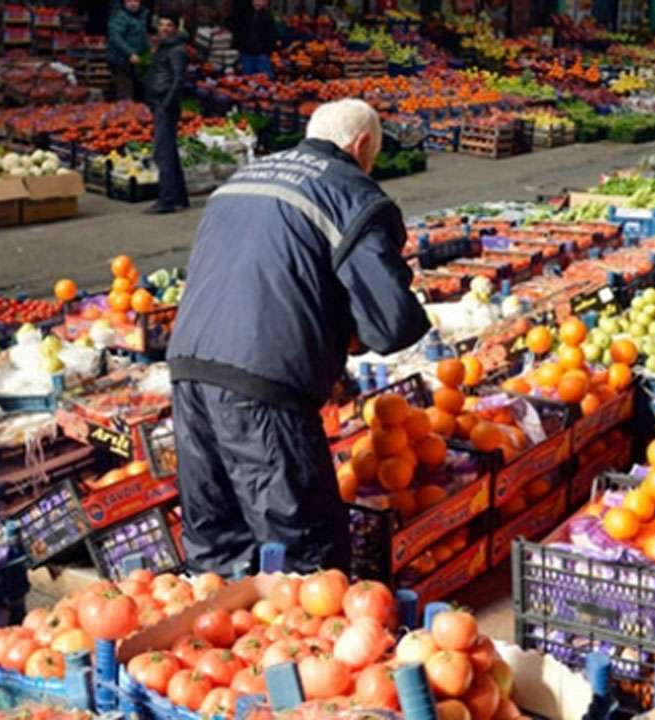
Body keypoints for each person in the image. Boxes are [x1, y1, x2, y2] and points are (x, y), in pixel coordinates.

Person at [167, 99, 431, 574]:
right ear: (363, 144)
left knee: (217, 552)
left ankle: (221, 635)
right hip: (264, 386)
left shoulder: (242, 179)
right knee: (305, 557)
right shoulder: (349, 191)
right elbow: (390, 322)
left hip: (188, 371)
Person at [144, 14, 189, 215]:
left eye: (169, 25)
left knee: (163, 153)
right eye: (161, 24)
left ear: (175, 28)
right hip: (159, 102)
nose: (164, 28)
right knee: (169, 151)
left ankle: (167, 199)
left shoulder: (176, 50)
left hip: (165, 104)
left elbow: (179, 79)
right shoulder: (164, 47)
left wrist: (166, 104)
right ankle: (179, 196)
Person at [106, 0, 150, 101]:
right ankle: (124, 113)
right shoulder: (118, 17)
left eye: (136, 1)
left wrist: (149, 48)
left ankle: (138, 113)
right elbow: (116, 38)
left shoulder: (141, 15)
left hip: (136, 59)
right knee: (125, 91)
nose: (133, 3)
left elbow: (142, 36)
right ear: (124, 2)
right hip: (120, 60)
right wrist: (130, 53)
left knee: (139, 90)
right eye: (129, 1)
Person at [233, 0, 277, 78]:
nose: (258, 3)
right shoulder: (245, 15)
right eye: (256, 0)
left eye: (261, 1)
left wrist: (267, 51)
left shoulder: (268, 17)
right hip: (246, 53)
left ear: (265, 2)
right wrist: (240, 48)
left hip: (261, 54)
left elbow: (272, 35)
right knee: (246, 78)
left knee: (265, 79)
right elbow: (239, 32)